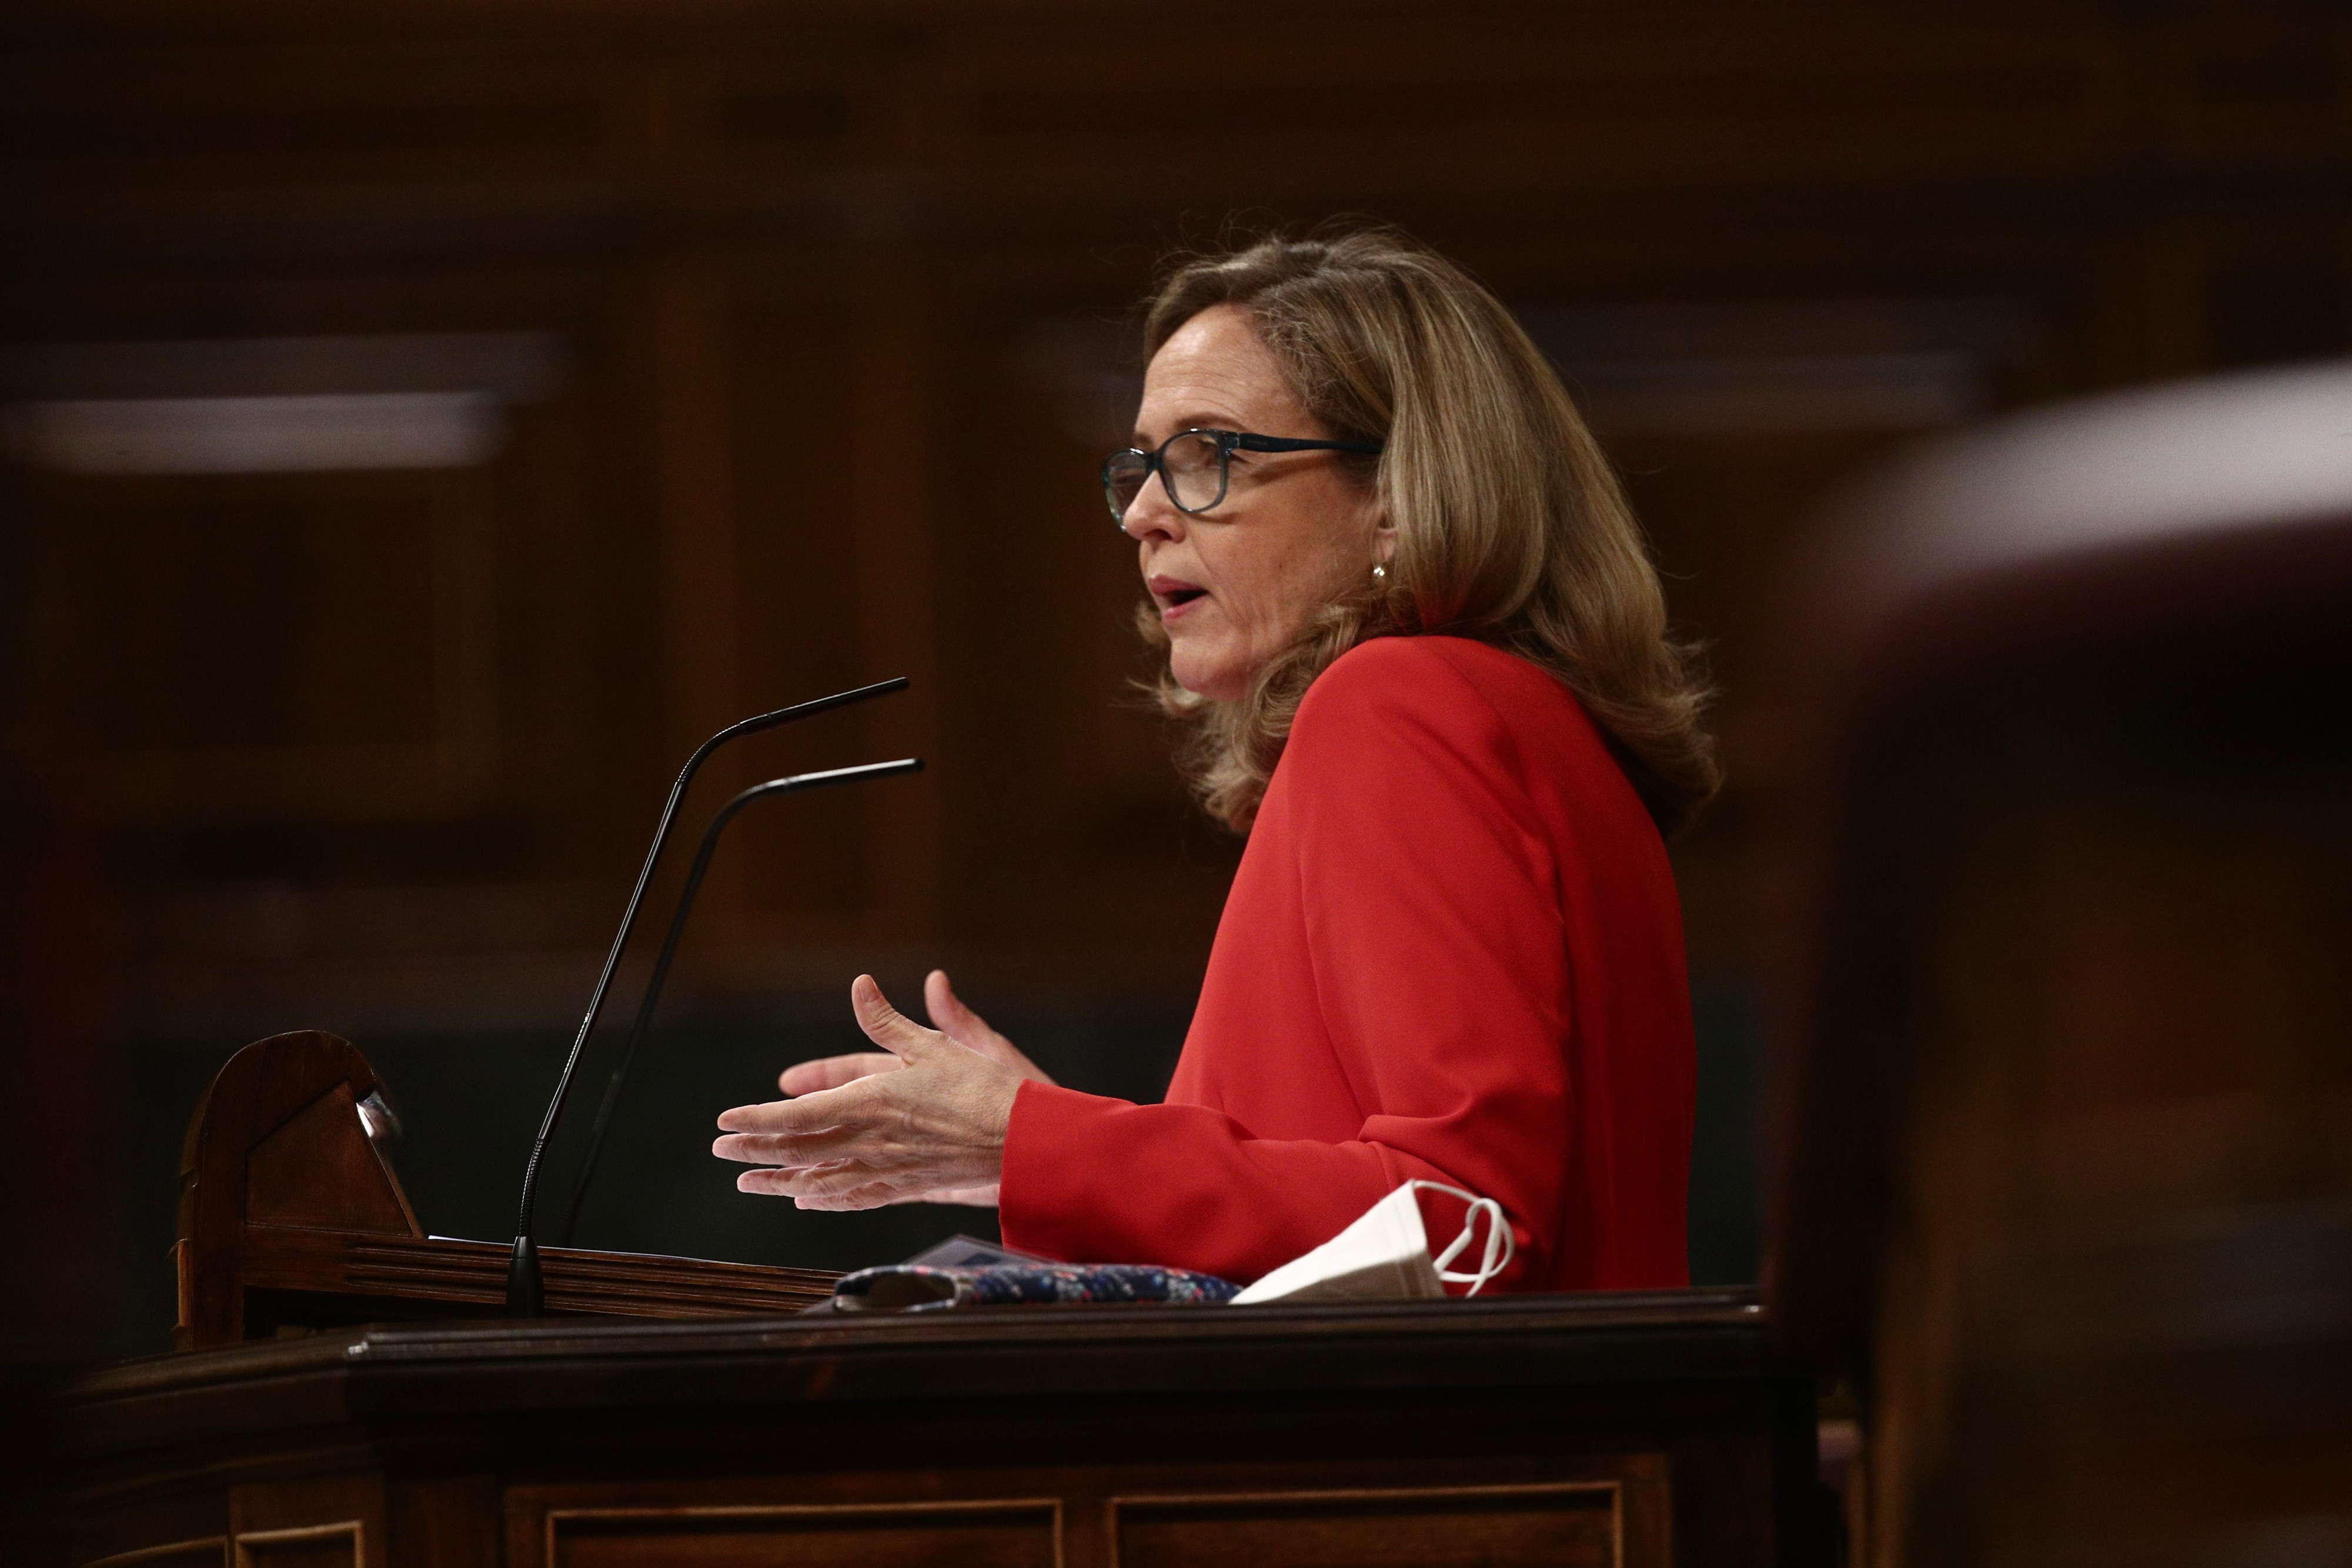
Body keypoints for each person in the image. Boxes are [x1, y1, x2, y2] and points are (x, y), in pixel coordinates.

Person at [713, 226, 1717, 1292]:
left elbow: (1459, 1231)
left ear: (1396, 487)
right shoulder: (1519, 720)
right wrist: (1038, 1146)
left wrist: (1033, 1142)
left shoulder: (1400, 707)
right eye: (1142, 464)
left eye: (1209, 454)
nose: (1144, 513)